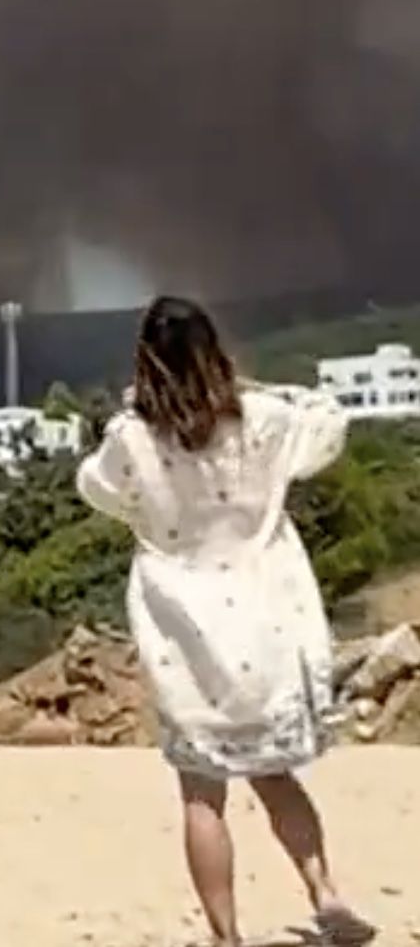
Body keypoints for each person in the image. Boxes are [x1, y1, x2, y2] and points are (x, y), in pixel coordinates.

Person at [75, 295, 373, 947]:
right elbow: (327, 420)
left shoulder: (134, 438)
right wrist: (256, 386)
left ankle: (226, 935)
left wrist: (131, 416)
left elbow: (94, 486)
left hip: (185, 632)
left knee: (202, 794)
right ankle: (325, 895)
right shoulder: (261, 420)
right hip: (266, 617)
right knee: (274, 773)